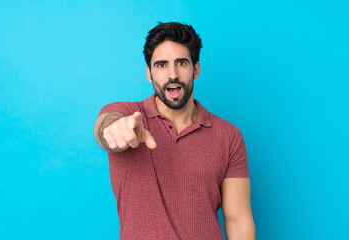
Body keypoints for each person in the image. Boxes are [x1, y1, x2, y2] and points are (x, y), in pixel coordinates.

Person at [94, 22, 255, 240]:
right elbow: (106, 125)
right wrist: (115, 129)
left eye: (181, 63)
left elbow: (239, 223)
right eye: (161, 65)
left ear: (195, 70)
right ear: (149, 73)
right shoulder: (127, 115)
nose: (173, 74)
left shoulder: (229, 136)